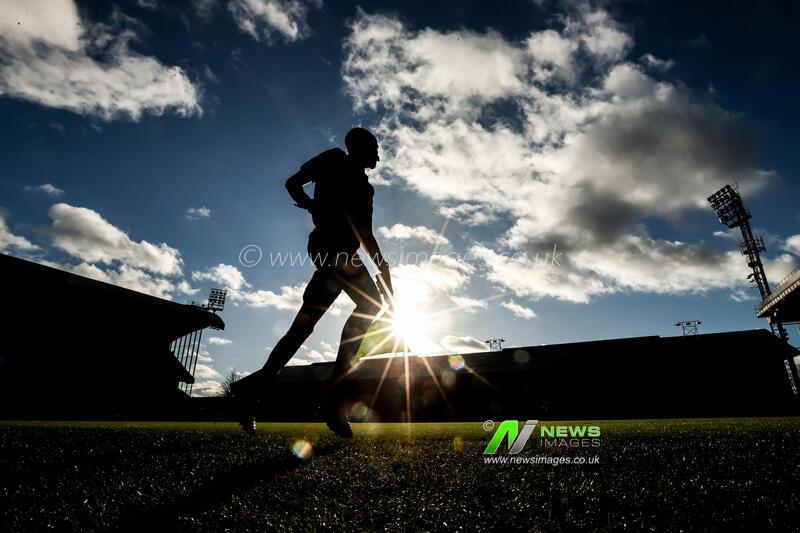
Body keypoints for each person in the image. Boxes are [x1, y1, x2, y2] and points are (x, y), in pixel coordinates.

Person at [231, 127, 393, 437]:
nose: (375, 152)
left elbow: (366, 234)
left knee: (303, 328)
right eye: (371, 146)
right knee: (366, 304)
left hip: (346, 252)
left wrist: (384, 268)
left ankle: (252, 397)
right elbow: (293, 183)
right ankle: (334, 402)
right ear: (360, 147)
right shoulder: (333, 159)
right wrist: (310, 204)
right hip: (327, 247)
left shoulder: (366, 188)